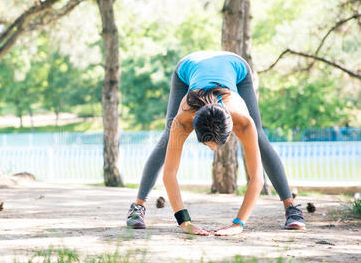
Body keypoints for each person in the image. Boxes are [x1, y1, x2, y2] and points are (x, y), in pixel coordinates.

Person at [126, 51, 306, 236]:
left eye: (216, 144)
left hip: (236, 66)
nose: (212, 149)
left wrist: (238, 224)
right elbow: (169, 174)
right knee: (167, 137)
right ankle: (138, 207)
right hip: (188, 65)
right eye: (207, 144)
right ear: (194, 122)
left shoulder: (243, 121)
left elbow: (257, 179)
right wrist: (184, 222)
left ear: (232, 128)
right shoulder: (182, 119)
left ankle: (291, 208)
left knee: (259, 136)